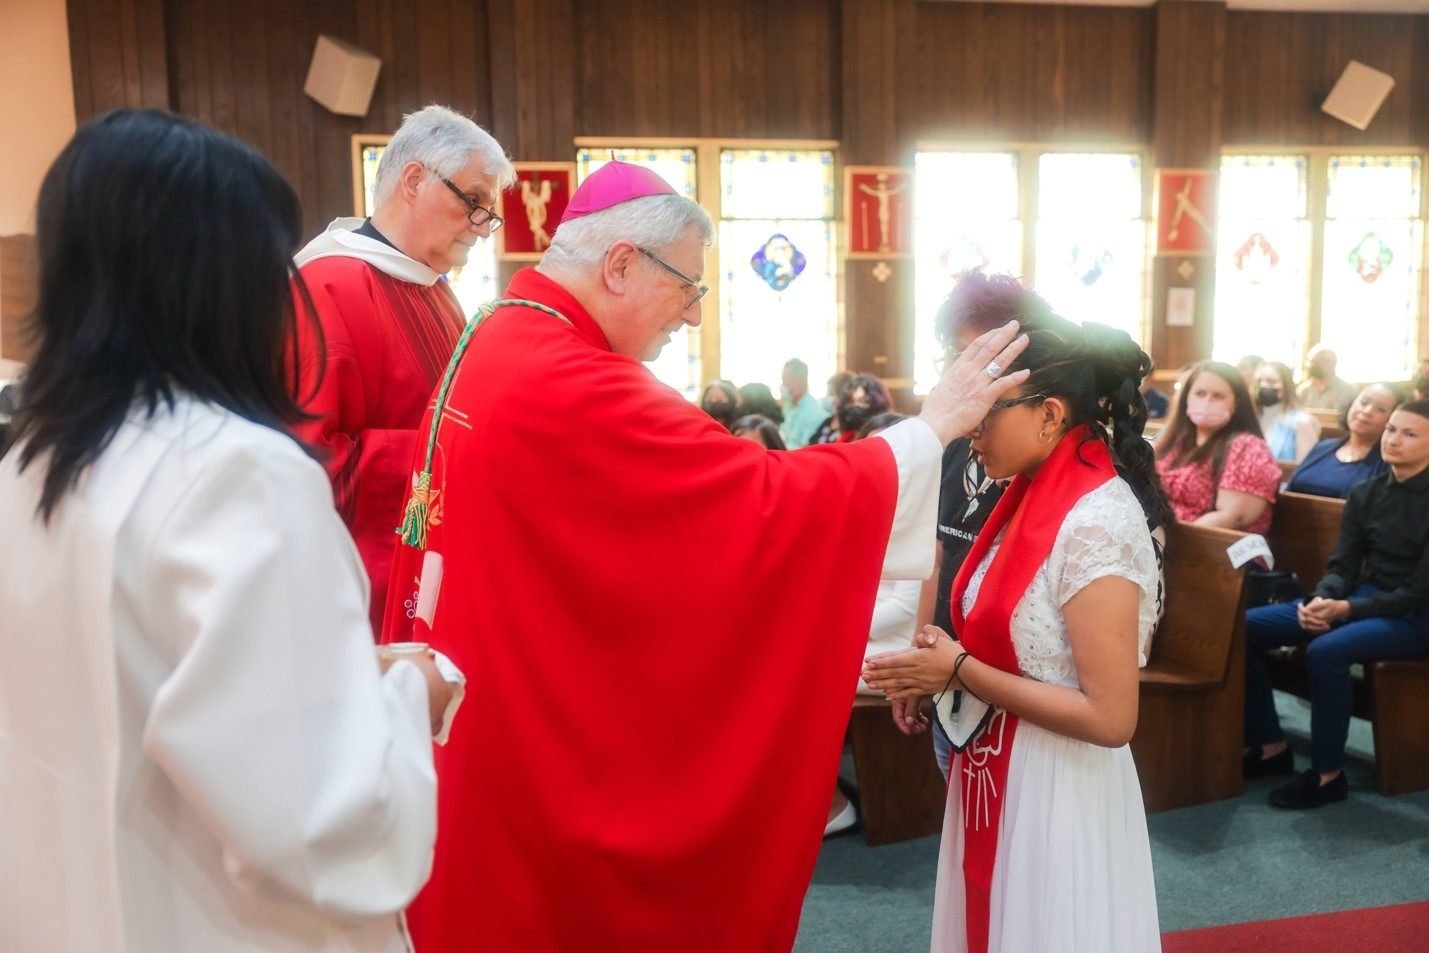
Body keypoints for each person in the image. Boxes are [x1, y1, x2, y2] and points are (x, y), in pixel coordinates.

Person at [378, 159, 1032, 952]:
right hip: (525, 725)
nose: (691, 317)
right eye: (688, 288)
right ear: (621, 264)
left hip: (493, 690)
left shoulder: (498, 332)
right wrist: (931, 429)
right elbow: (757, 499)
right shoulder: (565, 376)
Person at [0, 109, 459, 953]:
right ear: (229, 282)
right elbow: (325, 828)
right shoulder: (237, 471)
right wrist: (407, 696)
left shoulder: (28, 467)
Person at [863, 322, 1169, 953]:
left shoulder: (1097, 522)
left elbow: (1112, 718)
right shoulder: (1023, 498)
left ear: (1049, 414)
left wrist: (959, 670)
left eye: (984, 417)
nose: (970, 434)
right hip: (997, 759)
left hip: (1058, 786)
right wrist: (932, 669)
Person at [292, 105, 514, 633]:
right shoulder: (326, 288)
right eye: (473, 203)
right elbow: (302, 464)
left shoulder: (438, 293)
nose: (483, 229)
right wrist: (445, 455)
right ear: (414, 180)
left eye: (489, 212)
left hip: (435, 567)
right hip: (359, 596)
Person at [1243, 400, 1429, 809]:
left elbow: (1418, 592)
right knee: (1248, 627)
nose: (1394, 439)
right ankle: (1271, 746)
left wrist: (1345, 610)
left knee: (1327, 650)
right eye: (1393, 429)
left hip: (1415, 617)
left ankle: (1328, 775)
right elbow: (1343, 563)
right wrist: (1325, 597)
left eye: (1409, 434)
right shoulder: (1368, 492)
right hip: (1361, 601)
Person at [1155, 360, 1282, 534]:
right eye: (1200, 393)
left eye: (1218, 396)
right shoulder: (1175, 440)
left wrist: (1165, 540)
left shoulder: (1248, 448)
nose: (1207, 402)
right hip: (1162, 538)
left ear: (1236, 402)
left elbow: (1232, 516)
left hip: (1211, 550)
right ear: (1187, 398)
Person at [1285, 383, 1398, 498]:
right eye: (1363, 402)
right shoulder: (1322, 447)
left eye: (1380, 409)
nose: (1367, 411)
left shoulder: (1388, 463)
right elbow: (1289, 490)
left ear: (1393, 420)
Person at [1254, 360, 1320, 462]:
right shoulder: (1255, 418)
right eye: (1259, 382)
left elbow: (1304, 468)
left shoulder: (1302, 422)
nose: (1263, 386)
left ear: (1286, 386)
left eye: (1271, 382)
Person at [831, 373, 892, 442]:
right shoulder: (844, 439)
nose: (855, 407)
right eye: (850, 402)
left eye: (862, 401)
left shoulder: (886, 436)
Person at [1296, 344, 1359, 412]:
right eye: (1311, 362)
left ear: (1332, 363)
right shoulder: (1303, 391)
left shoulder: (1348, 391)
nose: (1312, 366)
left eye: (1318, 362)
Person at [780, 357, 825, 448]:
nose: (783, 385)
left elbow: (805, 449)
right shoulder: (788, 406)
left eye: (785, 380)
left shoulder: (814, 412)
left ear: (799, 381)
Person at [809, 369, 853, 444]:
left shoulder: (851, 428)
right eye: (827, 394)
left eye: (831, 394)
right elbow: (811, 445)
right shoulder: (827, 421)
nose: (828, 398)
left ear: (844, 397)